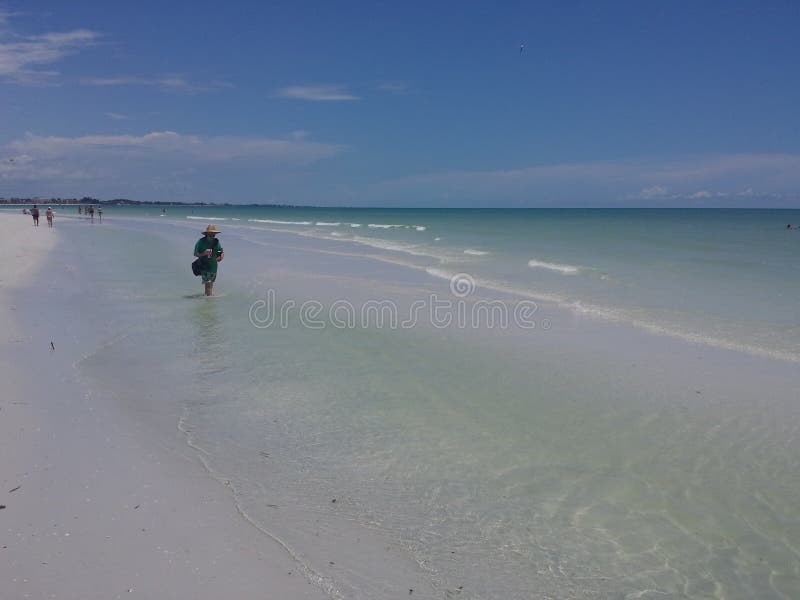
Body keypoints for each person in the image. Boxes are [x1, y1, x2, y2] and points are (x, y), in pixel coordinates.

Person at [194, 224, 224, 296]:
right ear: (206, 234)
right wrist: (203, 253)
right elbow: (195, 254)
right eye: (210, 234)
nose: (212, 236)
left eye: (213, 234)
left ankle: (207, 298)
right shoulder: (201, 242)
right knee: (208, 285)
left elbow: (220, 251)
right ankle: (209, 303)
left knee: (210, 285)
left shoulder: (216, 242)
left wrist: (220, 257)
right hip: (205, 266)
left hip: (214, 267)